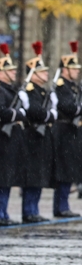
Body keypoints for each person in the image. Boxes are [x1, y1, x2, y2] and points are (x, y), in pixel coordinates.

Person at [0, 43, 26, 226]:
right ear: (0, 72)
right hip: (1, 138)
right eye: (9, 70)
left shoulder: (11, 90)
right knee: (1, 178)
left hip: (10, 139)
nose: (12, 73)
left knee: (8, 177)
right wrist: (19, 114)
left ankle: (3, 213)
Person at [19, 42, 54, 223]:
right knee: (32, 176)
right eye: (42, 71)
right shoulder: (30, 91)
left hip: (42, 137)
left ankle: (34, 209)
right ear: (34, 74)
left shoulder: (42, 91)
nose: (46, 74)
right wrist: (50, 114)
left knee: (39, 175)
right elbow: (35, 112)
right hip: (32, 136)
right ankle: (28, 211)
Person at [51, 41, 82, 218]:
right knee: (64, 170)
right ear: (65, 70)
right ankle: (61, 206)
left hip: (72, 131)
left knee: (70, 169)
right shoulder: (62, 86)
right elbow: (68, 107)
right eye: (74, 68)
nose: (77, 71)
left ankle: (64, 205)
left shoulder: (73, 87)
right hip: (63, 131)